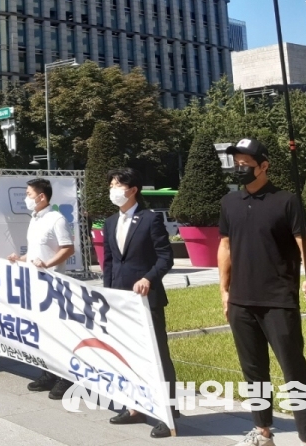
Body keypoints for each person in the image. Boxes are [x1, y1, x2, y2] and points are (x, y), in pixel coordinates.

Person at [219, 138, 306, 446]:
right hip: (240, 301)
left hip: (278, 300)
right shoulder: (229, 203)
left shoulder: (287, 200)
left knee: (294, 372)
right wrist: (224, 291)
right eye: (236, 162)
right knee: (254, 372)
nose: (239, 167)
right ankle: (262, 432)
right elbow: (225, 247)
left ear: (264, 166)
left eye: (246, 163)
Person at [101, 167, 176, 439]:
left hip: (146, 299)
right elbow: (109, 262)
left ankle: (168, 415)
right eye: (111, 185)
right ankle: (134, 408)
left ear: (132, 190)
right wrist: (108, 294)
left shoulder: (149, 219)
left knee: (157, 356)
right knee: (128, 355)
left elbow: (165, 257)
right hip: (121, 301)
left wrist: (149, 278)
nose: (113, 190)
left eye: (117, 185)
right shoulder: (110, 222)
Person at [7, 178, 75, 398]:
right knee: (43, 333)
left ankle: (66, 378)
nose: (27, 198)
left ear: (41, 196)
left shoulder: (57, 219)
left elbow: (68, 248)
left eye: (29, 194)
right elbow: (38, 253)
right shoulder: (35, 219)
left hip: (54, 286)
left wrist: (47, 264)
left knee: (59, 333)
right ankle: (49, 373)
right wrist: (21, 259)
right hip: (35, 287)